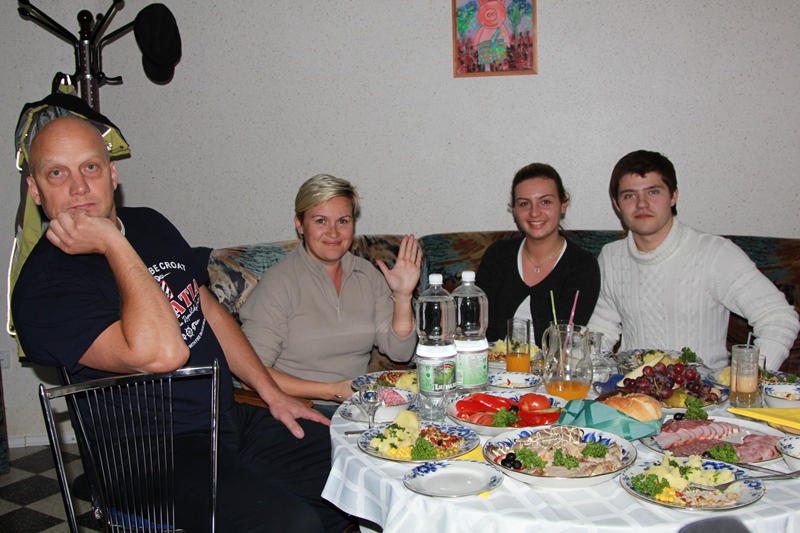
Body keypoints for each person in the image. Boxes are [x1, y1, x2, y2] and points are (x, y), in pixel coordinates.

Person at [11, 116, 353, 533]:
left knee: (356, 473)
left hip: (227, 421)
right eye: (57, 173)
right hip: (148, 459)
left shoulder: (149, 223)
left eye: (90, 167)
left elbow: (207, 308)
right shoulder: (44, 288)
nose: (79, 187)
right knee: (294, 524)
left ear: (112, 174)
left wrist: (272, 393)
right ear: (35, 190)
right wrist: (113, 242)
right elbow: (163, 354)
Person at [588, 150, 799, 370]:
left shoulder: (715, 254)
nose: (642, 203)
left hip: (703, 388)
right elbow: (601, 330)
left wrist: (747, 377)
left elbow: (779, 318)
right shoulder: (611, 257)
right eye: (629, 195)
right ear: (617, 204)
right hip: (628, 386)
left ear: (673, 196)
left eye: (653, 192)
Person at [239, 174, 420, 417]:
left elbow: (400, 353)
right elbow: (250, 376)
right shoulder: (279, 283)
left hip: (359, 409)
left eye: (343, 221)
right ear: (300, 224)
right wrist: (330, 391)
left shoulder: (367, 274)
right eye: (321, 221)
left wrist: (403, 295)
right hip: (299, 409)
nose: (333, 233)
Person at [476, 163, 601, 348]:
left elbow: (564, 341)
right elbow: (482, 329)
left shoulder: (582, 265)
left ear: (563, 205)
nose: (534, 213)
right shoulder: (497, 256)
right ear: (514, 210)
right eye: (524, 204)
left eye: (545, 202)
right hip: (496, 364)